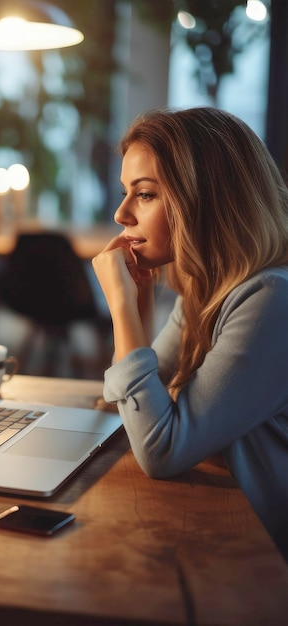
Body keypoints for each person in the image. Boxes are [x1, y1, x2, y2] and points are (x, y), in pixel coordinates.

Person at [92, 107, 288, 560]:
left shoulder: (270, 300)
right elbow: (126, 400)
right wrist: (140, 305)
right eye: (126, 193)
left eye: (144, 194)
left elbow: (162, 448)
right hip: (235, 521)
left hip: (269, 557)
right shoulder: (206, 288)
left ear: (206, 199)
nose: (121, 214)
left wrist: (120, 304)